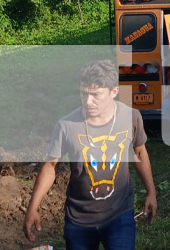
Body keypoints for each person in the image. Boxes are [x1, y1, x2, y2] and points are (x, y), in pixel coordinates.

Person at [23, 60, 157, 249]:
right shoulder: (67, 125)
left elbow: (140, 152)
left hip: (120, 216)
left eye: (95, 95)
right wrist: (32, 207)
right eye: (83, 93)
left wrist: (151, 192)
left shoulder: (131, 117)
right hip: (79, 220)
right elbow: (50, 166)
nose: (88, 101)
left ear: (114, 92)